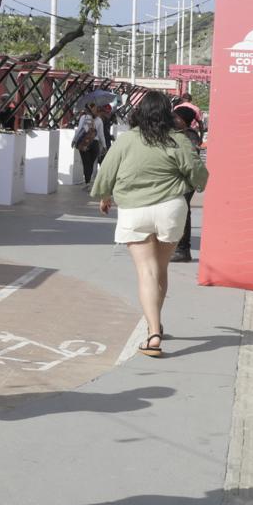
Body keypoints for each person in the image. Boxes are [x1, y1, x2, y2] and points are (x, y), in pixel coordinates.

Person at [91, 91, 208, 358]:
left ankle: (153, 332)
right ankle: (157, 322)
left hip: (135, 208)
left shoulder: (127, 139)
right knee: (160, 268)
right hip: (171, 209)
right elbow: (197, 172)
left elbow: (107, 170)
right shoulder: (177, 139)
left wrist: (104, 195)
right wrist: (193, 184)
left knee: (146, 271)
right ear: (167, 112)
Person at [171, 105, 203, 263]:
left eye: (176, 117)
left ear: (184, 121)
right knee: (179, 213)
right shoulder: (179, 134)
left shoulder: (189, 135)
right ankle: (179, 248)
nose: (173, 120)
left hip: (186, 180)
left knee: (182, 213)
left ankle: (183, 250)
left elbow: (189, 158)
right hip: (180, 179)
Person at [72, 103, 106, 185]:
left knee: (85, 163)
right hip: (95, 144)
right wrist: (104, 146)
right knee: (91, 163)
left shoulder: (83, 118)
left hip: (84, 143)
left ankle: (87, 182)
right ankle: (88, 180)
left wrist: (74, 140)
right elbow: (101, 135)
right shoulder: (99, 120)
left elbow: (79, 130)